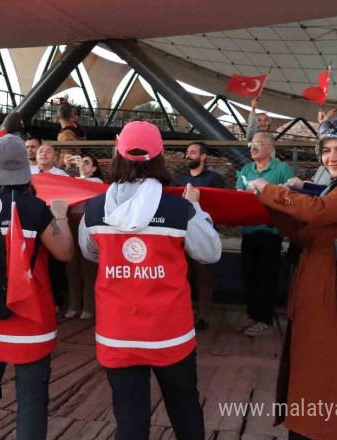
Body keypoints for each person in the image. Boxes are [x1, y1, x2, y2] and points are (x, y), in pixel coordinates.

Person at [79, 121, 222, 440]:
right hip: (170, 335)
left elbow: (89, 252)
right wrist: (196, 207)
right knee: (185, 410)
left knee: (129, 420)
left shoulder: (95, 209)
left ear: (117, 153)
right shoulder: (178, 209)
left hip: (117, 335)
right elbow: (210, 252)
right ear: (159, 158)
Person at [247, 119, 337, 440]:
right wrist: (272, 207)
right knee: (310, 374)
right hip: (315, 296)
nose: (332, 157)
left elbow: (318, 211)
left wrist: (271, 191)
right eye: (325, 151)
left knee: (332, 376)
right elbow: (304, 232)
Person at [0, 134, 73, 440]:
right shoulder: (36, 208)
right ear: (26, 166)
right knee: (31, 401)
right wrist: (60, 214)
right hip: (30, 320)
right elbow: (64, 252)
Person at [235, 132, 295, 336]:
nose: (253, 146)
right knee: (249, 275)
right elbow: (237, 198)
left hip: (271, 232)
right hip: (249, 231)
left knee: (267, 277)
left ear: (271, 148)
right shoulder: (245, 169)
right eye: (251, 143)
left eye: (258, 143)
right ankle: (253, 315)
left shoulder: (282, 169)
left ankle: (265, 320)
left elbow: (290, 196)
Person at [174, 142, 225, 331]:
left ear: (203, 156)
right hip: (181, 235)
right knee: (181, 276)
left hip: (204, 235)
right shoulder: (179, 179)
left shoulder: (214, 179)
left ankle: (203, 317)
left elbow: (220, 204)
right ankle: (181, 314)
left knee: (204, 277)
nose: (188, 155)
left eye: (193, 152)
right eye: (187, 152)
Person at [64, 154, 103, 319]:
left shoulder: (97, 183)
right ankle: (74, 304)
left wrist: (74, 171)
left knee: (88, 265)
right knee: (71, 265)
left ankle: (89, 306)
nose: (83, 164)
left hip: (88, 223)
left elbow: (85, 188)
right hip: (71, 223)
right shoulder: (72, 180)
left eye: (87, 162)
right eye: (82, 162)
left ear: (94, 168)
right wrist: (69, 169)